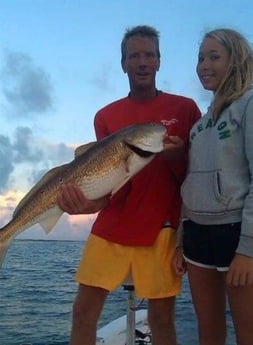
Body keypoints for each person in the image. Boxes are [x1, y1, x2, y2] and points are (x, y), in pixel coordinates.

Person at [57, 25, 201, 345]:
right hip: (112, 226)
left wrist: (176, 159)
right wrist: (83, 205)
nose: (142, 62)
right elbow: (109, 186)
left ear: (160, 61)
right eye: (134, 55)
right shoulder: (105, 116)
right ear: (123, 64)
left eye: (149, 55)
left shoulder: (185, 108)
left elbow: (197, 173)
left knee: (161, 319)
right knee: (83, 312)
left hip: (162, 227)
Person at [174, 28, 253, 345]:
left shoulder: (248, 104)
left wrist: (248, 250)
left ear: (237, 59)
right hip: (197, 236)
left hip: (237, 236)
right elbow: (190, 181)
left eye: (214, 57)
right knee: (209, 332)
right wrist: (182, 237)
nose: (204, 65)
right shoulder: (200, 124)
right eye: (201, 58)